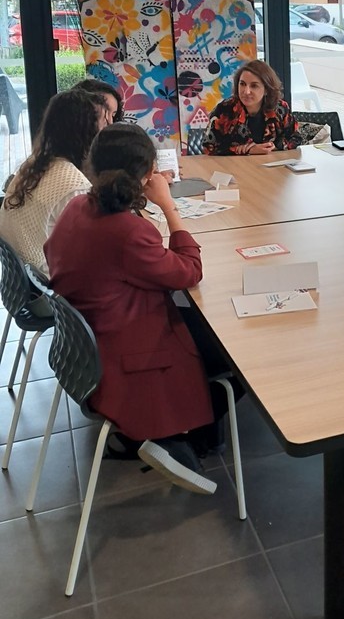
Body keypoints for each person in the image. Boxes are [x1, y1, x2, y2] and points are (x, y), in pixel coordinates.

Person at [44, 123, 218, 494]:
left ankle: (163, 434)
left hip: (89, 345)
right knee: (226, 351)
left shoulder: (78, 206)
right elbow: (190, 271)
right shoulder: (126, 231)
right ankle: (175, 439)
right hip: (131, 355)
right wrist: (169, 206)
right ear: (144, 176)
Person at [0, 89, 104, 273]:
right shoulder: (73, 185)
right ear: (87, 130)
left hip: (22, 282)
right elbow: (89, 255)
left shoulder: (32, 165)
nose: (108, 125)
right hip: (51, 286)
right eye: (103, 120)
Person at [203, 60, 301, 156]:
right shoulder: (225, 109)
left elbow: (296, 138)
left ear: (266, 89)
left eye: (254, 86)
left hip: (272, 166)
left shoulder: (280, 108)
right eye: (242, 84)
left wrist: (272, 147)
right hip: (235, 167)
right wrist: (246, 149)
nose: (246, 91)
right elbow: (208, 146)